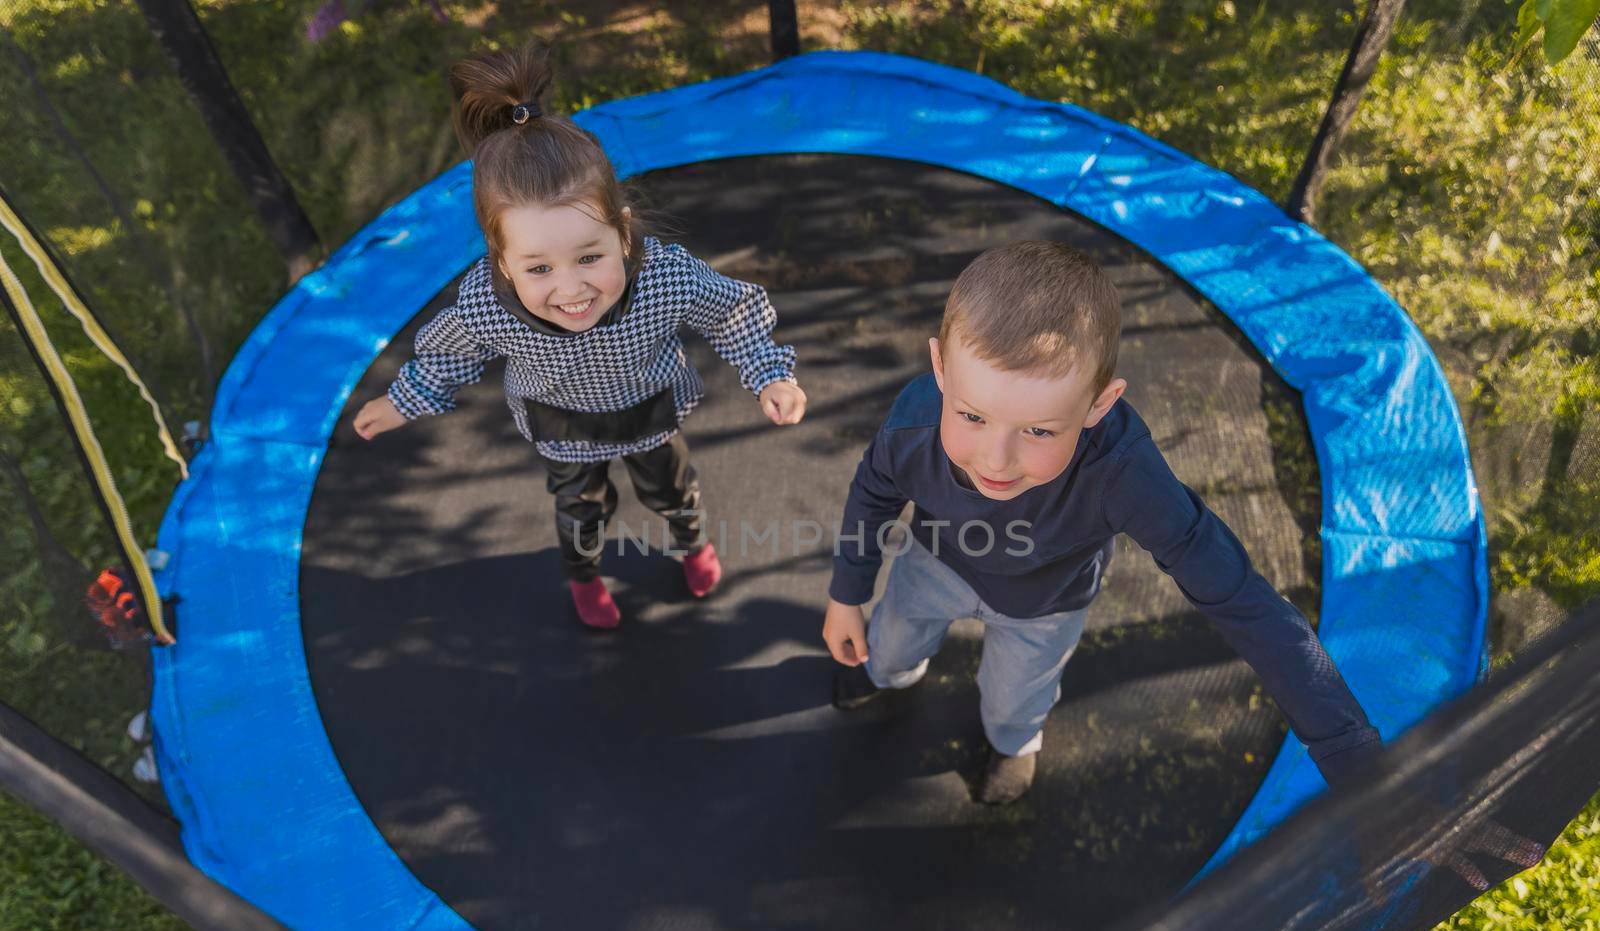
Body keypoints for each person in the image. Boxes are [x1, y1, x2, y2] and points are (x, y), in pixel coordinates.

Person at [821, 241, 1381, 804]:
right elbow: (874, 494)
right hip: (935, 562)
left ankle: (1014, 742)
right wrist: (848, 594)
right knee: (890, 643)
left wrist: (1349, 749)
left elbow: (1237, 595)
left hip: (1046, 602)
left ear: (1098, 405)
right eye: (972, 416)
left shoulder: (1122, 473)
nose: (995, 459)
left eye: (1039, 431)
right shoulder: (914, 426)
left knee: (1018, 696)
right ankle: (888, 677)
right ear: (941, 368)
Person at [354, 42, 806, 628]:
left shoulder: (663, 278)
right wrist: (402, 399)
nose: (571, 290)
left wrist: (769, 371)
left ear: (621, 233)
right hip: (562, 427)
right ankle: (585, 576)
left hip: (650, 408)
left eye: (589, 257)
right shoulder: (488, 305)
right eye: (539, 268)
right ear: (504, 259)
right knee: (579, 512)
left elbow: (731, 313)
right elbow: (449, 357)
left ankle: (690, 543)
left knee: (674, 491)